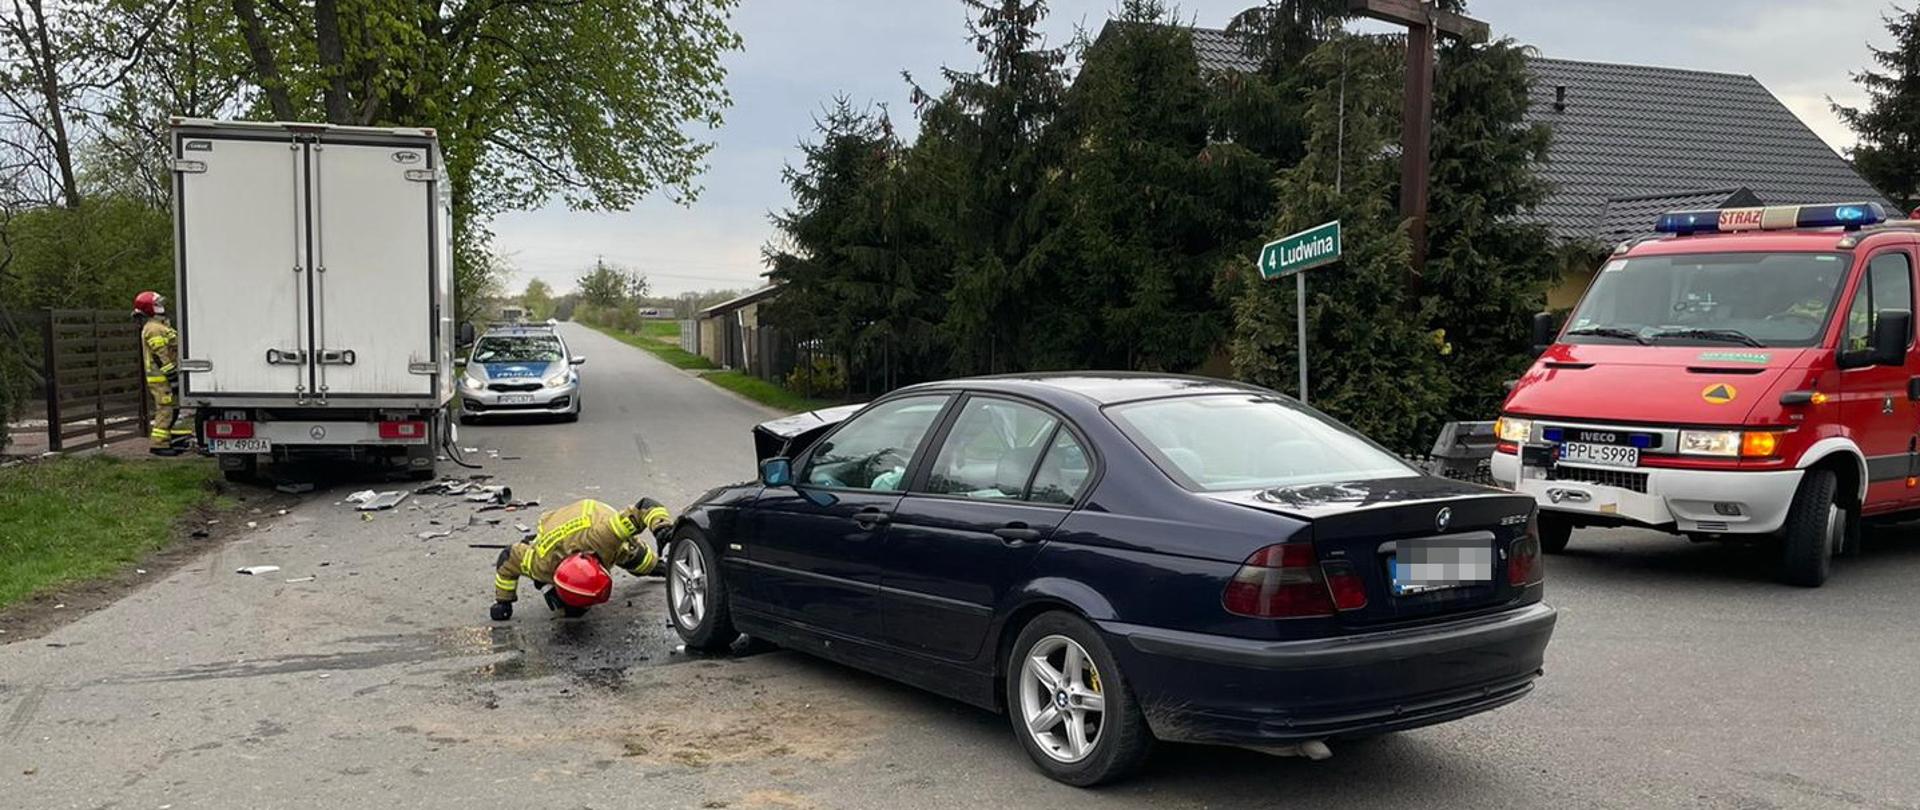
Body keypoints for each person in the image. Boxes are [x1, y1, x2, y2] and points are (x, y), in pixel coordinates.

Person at [490, 497, 674, 620]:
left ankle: (665, 568)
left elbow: (644, 506)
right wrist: (503, 602)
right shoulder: (542, 563)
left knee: (643, 562)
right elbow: (508, 558)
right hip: (555, 527)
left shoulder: (604, 537)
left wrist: (661, 527)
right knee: (565, 612)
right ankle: (546, 585)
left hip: (595, 516)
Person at [134, 291, 193, 455]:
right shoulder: (154, 329)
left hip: (164, 377)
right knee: (165, 409)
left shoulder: (161, 326)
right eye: (157, 304)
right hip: (161, 378)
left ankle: (166, 441)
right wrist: (172, 375)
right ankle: (159, 445)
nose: (161, 307)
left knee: (171, 409)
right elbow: (160, 355)